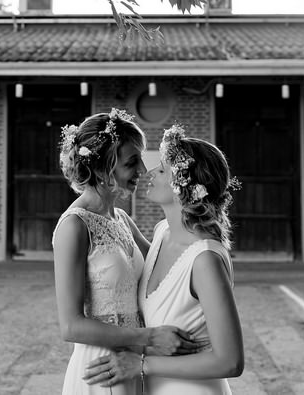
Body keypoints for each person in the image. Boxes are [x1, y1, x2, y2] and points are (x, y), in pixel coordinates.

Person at [82, 124, 245, 393]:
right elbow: (112, 236)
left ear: (186, 185)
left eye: (162, 169)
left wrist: (142, 365)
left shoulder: (205, 259)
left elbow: (231, 361)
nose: (149, 172)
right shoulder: (161, 233)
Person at [53, 109, 202, 394]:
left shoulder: (121, 219)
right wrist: (150, 337)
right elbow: (71, 326)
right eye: (132, 162)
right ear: (101, 167)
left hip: (133, 363)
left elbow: (168, 272)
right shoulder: (74, 226)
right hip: (101, 368)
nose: (143, 172)